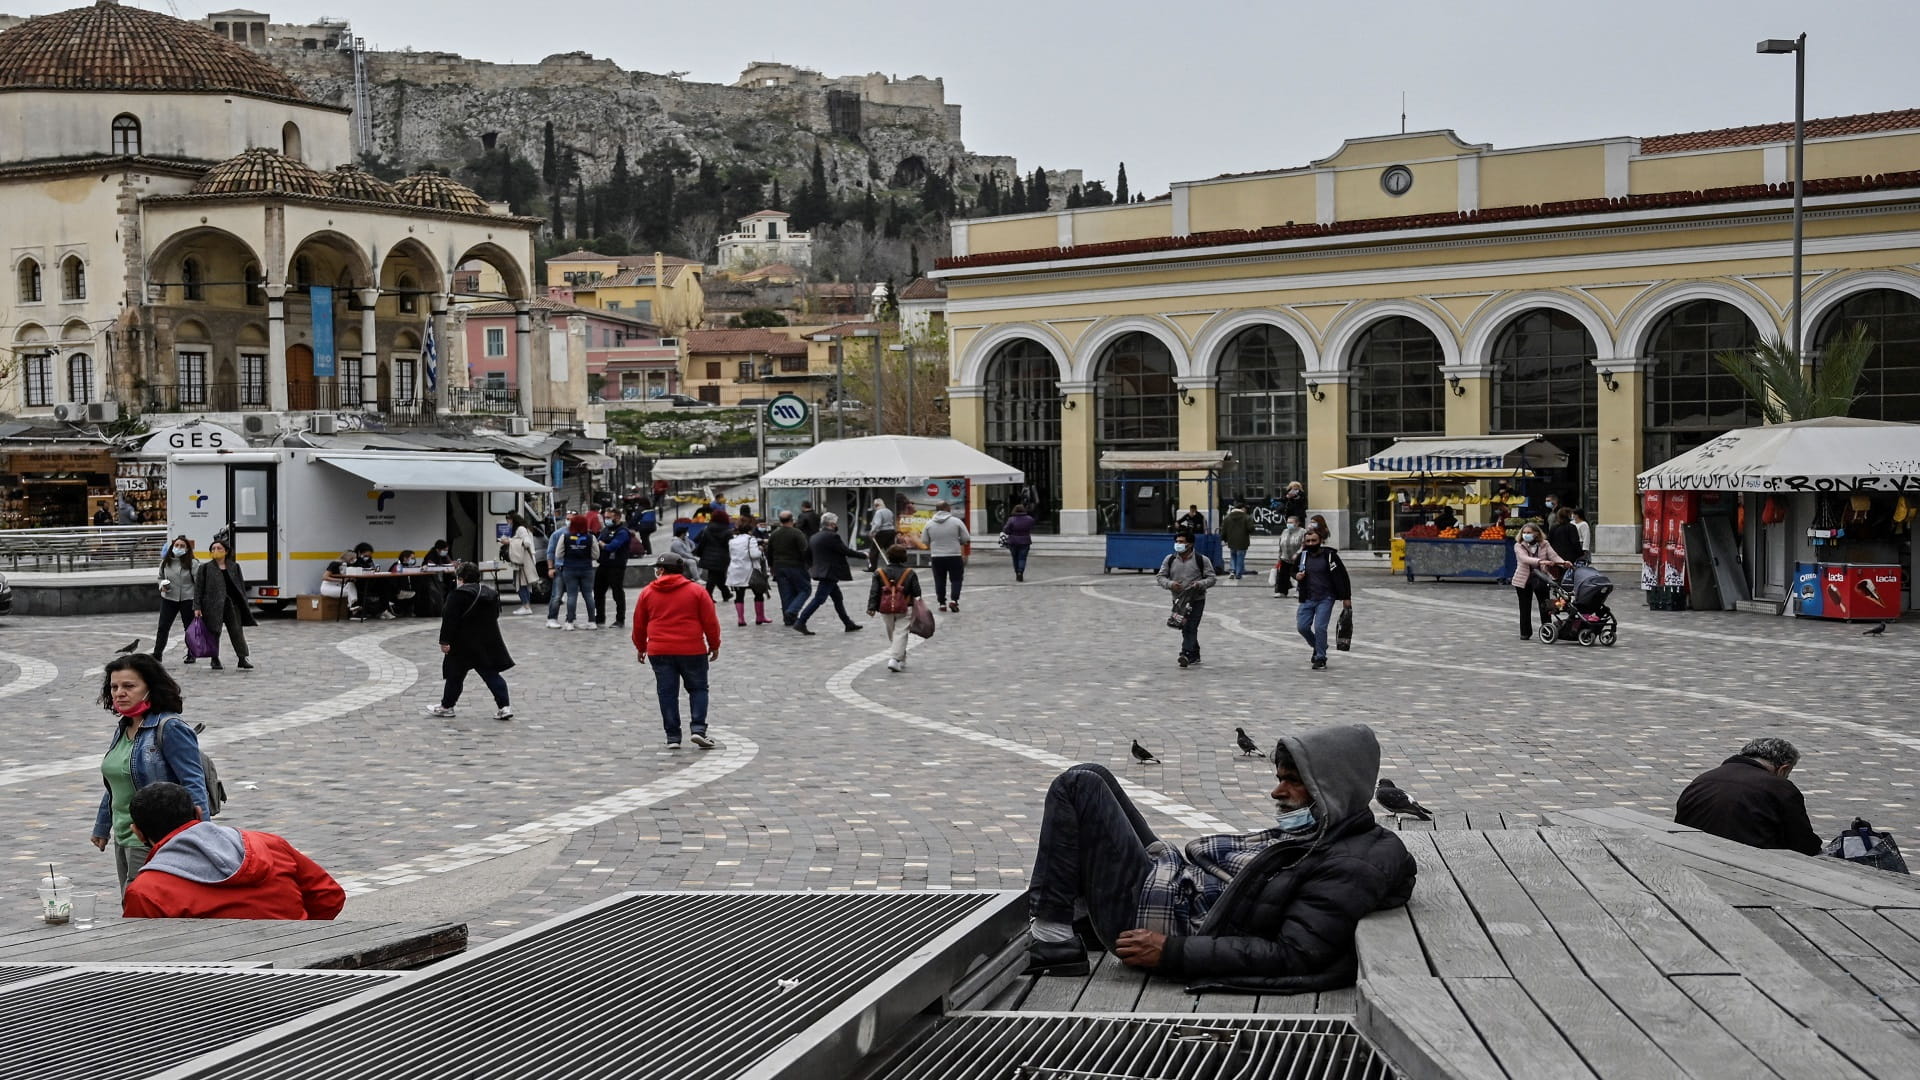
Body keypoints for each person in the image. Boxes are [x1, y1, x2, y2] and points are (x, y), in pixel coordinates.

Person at [1023, 723, 1416, 990]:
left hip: (1159, 923)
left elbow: (1294, 955)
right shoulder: (1332, 834)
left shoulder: (1349, 866)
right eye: (1280, 779)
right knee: (1092, 772)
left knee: (1077, 785)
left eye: (1293, 782)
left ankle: (1053, 939)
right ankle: (1081, 920)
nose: (1277, 792)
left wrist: (1171, 952)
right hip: (1181, 893)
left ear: (1333, 788)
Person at [120, 781, 344, 920]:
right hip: (301, 968)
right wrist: (303, 936)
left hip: (214, 982)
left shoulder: (146, 891)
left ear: (138, 833)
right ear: (198, 813)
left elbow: (146, 958)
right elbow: (329, 896)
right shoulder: (269, 843)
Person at [90, 654, 210, 890]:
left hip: (153, 839)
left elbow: (194, 783)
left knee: (142, 903)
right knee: (132, 902)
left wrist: (203, 838)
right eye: (114, 687)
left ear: (150, 688)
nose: (119, 693)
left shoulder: (170, 728)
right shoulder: (124, 727)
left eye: (129, 686)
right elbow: (117, 783)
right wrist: (102, 826)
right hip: (124, 837)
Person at [630, 552, 721, 749]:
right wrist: (714, 645)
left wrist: (641, 646)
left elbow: (639, 623)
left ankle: (672, 737)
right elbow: (710, 621)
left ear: (662, 570)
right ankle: (698, 729)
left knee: (667, 693)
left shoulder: (647, 592)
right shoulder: (696, 591)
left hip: (659, 649)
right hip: (692, 649)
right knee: (698, 689)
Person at [1674, 738, 1822, 855]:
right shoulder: (1780, 787)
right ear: (1783, 769)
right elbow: (1803, 844)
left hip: (1691, 854)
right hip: (1750, 863)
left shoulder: (1704, 778)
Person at [427, 562, 514, 721]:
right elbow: (495, 615)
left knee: (455, 676)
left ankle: (447, 706)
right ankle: (504, 707)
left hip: (462, 644)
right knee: (491, 675)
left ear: (461, 578)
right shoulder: (490, 593)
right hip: (485, 642)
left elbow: (449, 620)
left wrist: (444, 641)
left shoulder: (457, 595)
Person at [795, 512, 863, 636]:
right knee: (819, 599)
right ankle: (801, 621)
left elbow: (807, 554)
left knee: (837, 598)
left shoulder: (814, 537)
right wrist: (863, 555)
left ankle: (848, 623)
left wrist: (813, 567)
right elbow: (845, 551)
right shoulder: (832, 537)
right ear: (832, 524)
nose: (836, 525)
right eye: (835, 523)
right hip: (830, 572)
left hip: (823, 571)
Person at [1156, 530, 1216, 668]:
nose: (1178, 544)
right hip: (1178, 601)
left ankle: (1186, 654)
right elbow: (1160, 577)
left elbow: (1212, 578)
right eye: (1177, 541)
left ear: (1190, 544)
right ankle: (1194, 653)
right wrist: (1170, 584)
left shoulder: (1202, 560)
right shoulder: (1170, 559)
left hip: (1196, 599)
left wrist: (1200, 584)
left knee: (1191, 626)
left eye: (1182, 542)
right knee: (1184, 627)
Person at [1293, 528, 1351, 671]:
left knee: (1320, 627)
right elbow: (1293, 570)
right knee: (1302, 627)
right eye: (1308, 541)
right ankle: (1319, 645)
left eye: (1314, 540)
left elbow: (1342, 576)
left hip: (1326, 598)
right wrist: (1296, 576)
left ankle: (1320, 658)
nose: (1311, 543)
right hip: (1307, 598)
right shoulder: (1302, 556)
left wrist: (1346, 597)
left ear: (1320, 541)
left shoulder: (1330, 556)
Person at [192, 538, 254, 670]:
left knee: (237, 631)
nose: (216, 551)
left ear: (226, 551)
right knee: (214, 632)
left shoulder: (234, 566)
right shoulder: (205, 568)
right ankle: (214, 658)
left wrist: (244, 603)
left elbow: (240, 586)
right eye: (213, 549)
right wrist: (197, 607)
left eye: (219, 548)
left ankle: (242, 658)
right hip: (212, 605)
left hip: (232, 604)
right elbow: (198, 589)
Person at [867, 543, 924, 673]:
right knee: (900, 633)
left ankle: (900, 658)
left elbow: (874, 591)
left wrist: (871, 607)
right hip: (905, 607)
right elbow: (917, 592)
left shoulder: (879, 572)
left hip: (885, 608)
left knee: (893, 633)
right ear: (904, 557)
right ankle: (895, 659)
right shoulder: (909, 573)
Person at [1511, 522, 1567, 640]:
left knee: (1545, 605)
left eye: (1529, 532)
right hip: (1523, 579)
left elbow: (1553, 556)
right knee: (1524, 606)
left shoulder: (1544, 544)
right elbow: (1524, 559)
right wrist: (1540, 561)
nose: (1526, 535)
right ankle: (1525, 632)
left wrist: (1563, 563)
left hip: (1541, 577)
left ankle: (1547, 630)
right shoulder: (1519, 545)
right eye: (1524, 532)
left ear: (1536, 533)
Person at [549, 513, 601, 631]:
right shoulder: (590, 537)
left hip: (569, 569)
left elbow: (558, 554)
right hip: (586, 569)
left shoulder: (565, 536)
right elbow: (596, 555)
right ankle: (592, 621)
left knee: (572, 596)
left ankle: (570, 622)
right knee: (588, 595)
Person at [154, 535, 197, 664]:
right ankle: (157, 654)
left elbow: (198, 582)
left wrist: (198, 602)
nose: (179, 548)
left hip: (187, 598)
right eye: (176, 545)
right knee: (163, 627)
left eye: (182, 546)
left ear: (187, 549)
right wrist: (162, 585)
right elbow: (160, 577)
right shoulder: (165, 562)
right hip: (169, 598)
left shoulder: (193, 563)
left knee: (189, 628)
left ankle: (191, 654)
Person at [923, 500, 972, 611]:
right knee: (956, 579)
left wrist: (934, 544)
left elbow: (924, 540)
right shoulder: (956, 522)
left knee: (939, 580)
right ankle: (954, 600)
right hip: (954, 554)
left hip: (936, 556)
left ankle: (942, 603)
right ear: (947, 509)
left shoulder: (929, 523)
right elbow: (966, 538)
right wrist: (958, 542)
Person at [765, 510, 812, 626]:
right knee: (805, 589)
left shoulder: (774, 534)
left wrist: (771, 565)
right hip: (796, 566)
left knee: (785, 593)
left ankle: (788, 618)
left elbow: (769, 551)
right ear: (792, 519)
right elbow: (804, 550)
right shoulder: (797, 533)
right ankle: (792, 611)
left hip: (779, 567)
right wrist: (808, 564)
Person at [726, 524, 772, 627]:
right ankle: (760, 617)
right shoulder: (751, 539)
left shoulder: (732, 541)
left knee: (739, 595)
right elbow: (754, 555)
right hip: (750, 571)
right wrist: (760, 549)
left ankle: (741, 619)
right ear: (750, 531)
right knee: (758, 593)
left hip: (735, 570)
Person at [595, 509, 634, 629]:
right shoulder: (606, 530)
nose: (606, 519)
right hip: (603, 564)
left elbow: (612, 546)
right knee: (598, 592)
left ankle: (620, 619)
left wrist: (602, 544)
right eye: (605, 517)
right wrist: (602, 544)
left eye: (608, 517)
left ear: (617, 517)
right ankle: (599, 618)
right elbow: (598, 541)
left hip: (616, 566)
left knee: (617, 593)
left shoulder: (622, 532)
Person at [694, 509, 735, 602]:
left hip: (708, 556)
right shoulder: (727, 531)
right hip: (722, 557)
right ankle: (708, 596)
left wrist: (699, 553)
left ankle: (726, 593)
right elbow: (730, 545)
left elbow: (702, 543)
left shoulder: (707, 529)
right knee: (714, 577)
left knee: (718, 576)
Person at [504, 514, 540, 615]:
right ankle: (526, 605)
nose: (508, 523)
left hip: (524, 561)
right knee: (521, 583)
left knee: (521, 584)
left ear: (512, 520)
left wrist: (509, 541)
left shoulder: (521, 529)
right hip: (523, 560)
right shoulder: (523, 528)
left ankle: (526, 606)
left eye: (508, 521)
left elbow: (526, 543)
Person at [1272, 516, 1307, 598]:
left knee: (1299, 575)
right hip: (1285, 557)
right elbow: (1281, 544)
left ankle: (1300, 591)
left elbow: (1304, 544)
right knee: (1282, 575)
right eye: (1288, 522)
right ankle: (1282, 592)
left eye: (1291, 522)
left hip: (1298, 558)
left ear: (1297, 523)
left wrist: (1297, 553)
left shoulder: (1303, 532)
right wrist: (1279, 557)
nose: (1289, 524)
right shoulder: (1285, 531)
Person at [1002, 503, 1037, 582]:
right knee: (1022, 558)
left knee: (1015, 558)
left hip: (1013, 541)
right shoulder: (1029, 519)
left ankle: (1017, 572)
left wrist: (1010, 532)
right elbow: (1032, 527)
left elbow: (1005, 530)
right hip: (1025, 541)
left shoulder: (1011, 519)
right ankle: (1020, 572)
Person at [1220, 502, 1255, 580]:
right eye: (1245, 508)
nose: (1246, 510)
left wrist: (1223, 539)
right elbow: (1251, 529)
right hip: (1243, 541)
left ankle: (1232, 571)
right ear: (1242, 508)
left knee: (1233, 556)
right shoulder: (1246, 517)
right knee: (1240, 557)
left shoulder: (1227, 517)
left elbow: (1223, 530)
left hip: (1231, 541)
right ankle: (1238, 573)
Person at [867, 498, 898, 572]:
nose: (874, 507)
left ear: (876, 505)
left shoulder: (879, 512)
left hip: (882, 532)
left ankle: (873, 567)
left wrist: (872, 531)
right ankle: (894, 565)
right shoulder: (889, 511)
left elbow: (877, 524)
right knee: (890, 550)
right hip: (891, 531)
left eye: (874, 505)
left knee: (874, 550)